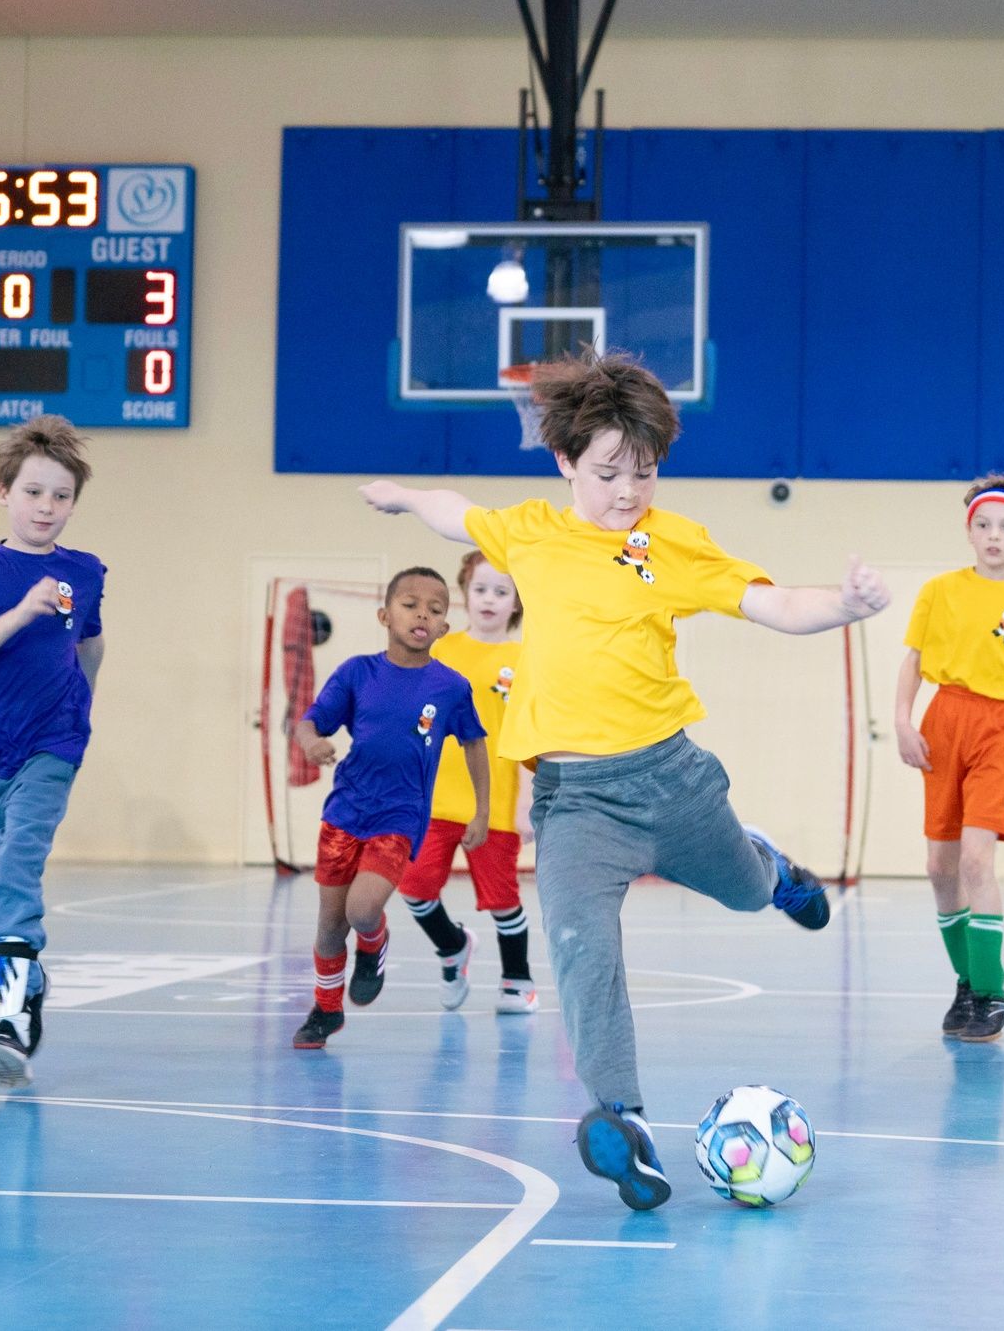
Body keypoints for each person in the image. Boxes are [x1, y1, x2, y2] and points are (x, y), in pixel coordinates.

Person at [358, 349, 890, 1210]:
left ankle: (775, 871)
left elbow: (775, 604)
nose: (627, 491)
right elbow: (459, 515)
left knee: (748, 891)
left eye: (644, 472)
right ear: (567, 460)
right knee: (582, 953)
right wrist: (408, 497)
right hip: (574, 804)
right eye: (608, 472)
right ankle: (626, 1123)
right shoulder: (532, 530)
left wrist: (847, 603)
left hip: (672, 780)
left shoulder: (671, 543)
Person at [0, 415, 105, 1087]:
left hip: (52, 744)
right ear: (5, 492)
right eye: (35, 492)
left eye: (61, 496)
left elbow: (91, 642)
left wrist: (81, 707)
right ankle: (29, 976)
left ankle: (10, 1022)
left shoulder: (86, 571)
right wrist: (19, 613)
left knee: (15, 871)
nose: (47, 508)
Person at [289, 566, 488, 1051]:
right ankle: (326, 1010)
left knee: (362, 909)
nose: (423, 613)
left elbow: (475, 745)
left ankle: (374, 945)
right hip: (345, 814)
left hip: (400, 817)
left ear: (443, 627)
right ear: (385, 615)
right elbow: (309, 722)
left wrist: (481, 811)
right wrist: (312, 743)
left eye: (436, 609)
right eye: (410, 604)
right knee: (330, 926)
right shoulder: (358, 672)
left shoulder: (451, 687)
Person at [894, 474, 1004, 1044]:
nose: (995, 535)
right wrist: (902, 720)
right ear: (970, 531)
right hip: (944, 719)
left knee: (974, 862)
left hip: (1003, 726)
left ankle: (992, 991)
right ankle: (967, 983)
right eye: (984, 525)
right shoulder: (940, 590)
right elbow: (913, 661)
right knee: (939, 868)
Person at [395, 550, 539, 1015]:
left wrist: (528, 804)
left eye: (502, 591)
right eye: (481, 589)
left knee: (502, 900)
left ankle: (517, 981)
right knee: (414, 886)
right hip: (432, 800)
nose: (490, 599)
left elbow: (531, 735)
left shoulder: (526, 660)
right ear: (465, 594)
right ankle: (452, 947)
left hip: (493, 802)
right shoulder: (440, 650)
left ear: (517, 601)